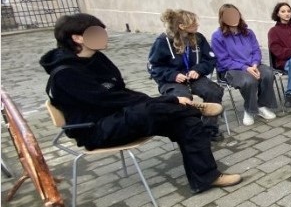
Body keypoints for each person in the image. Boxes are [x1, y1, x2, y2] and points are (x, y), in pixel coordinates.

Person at [40, 14, 241, 194]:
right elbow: (109, 100)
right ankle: (188, 106)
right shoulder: (66, 73)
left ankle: (206, 177)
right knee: (155, 107)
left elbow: (121, 92)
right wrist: (168, 100)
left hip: (122, 115)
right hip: (97, 129)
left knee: (187, 121)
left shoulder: (97, 59)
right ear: (77, 38)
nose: (105, 36)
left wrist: (157, 103)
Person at [148, 9, 225, 141]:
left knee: (213, 91)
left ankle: (209, 129)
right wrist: (173, 75)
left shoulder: (198, 38)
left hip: (194, 78)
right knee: (182, 98)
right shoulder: (163, 41)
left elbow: (210, 59)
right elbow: (153, 66)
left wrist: (198, 70)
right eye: (194, 23)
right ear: (182, 26)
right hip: (171, 81)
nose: (197, 25)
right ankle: (189, 130)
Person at [211, 4, 277, 126]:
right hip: (231, 69)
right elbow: (224, 60)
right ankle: (249, 109)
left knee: (268, 73)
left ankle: (261, 105)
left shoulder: (248, 32)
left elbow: (256, 50)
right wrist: (245, 68)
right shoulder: (217, 36)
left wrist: (255, 64)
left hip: (252, 64)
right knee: (248, 81)